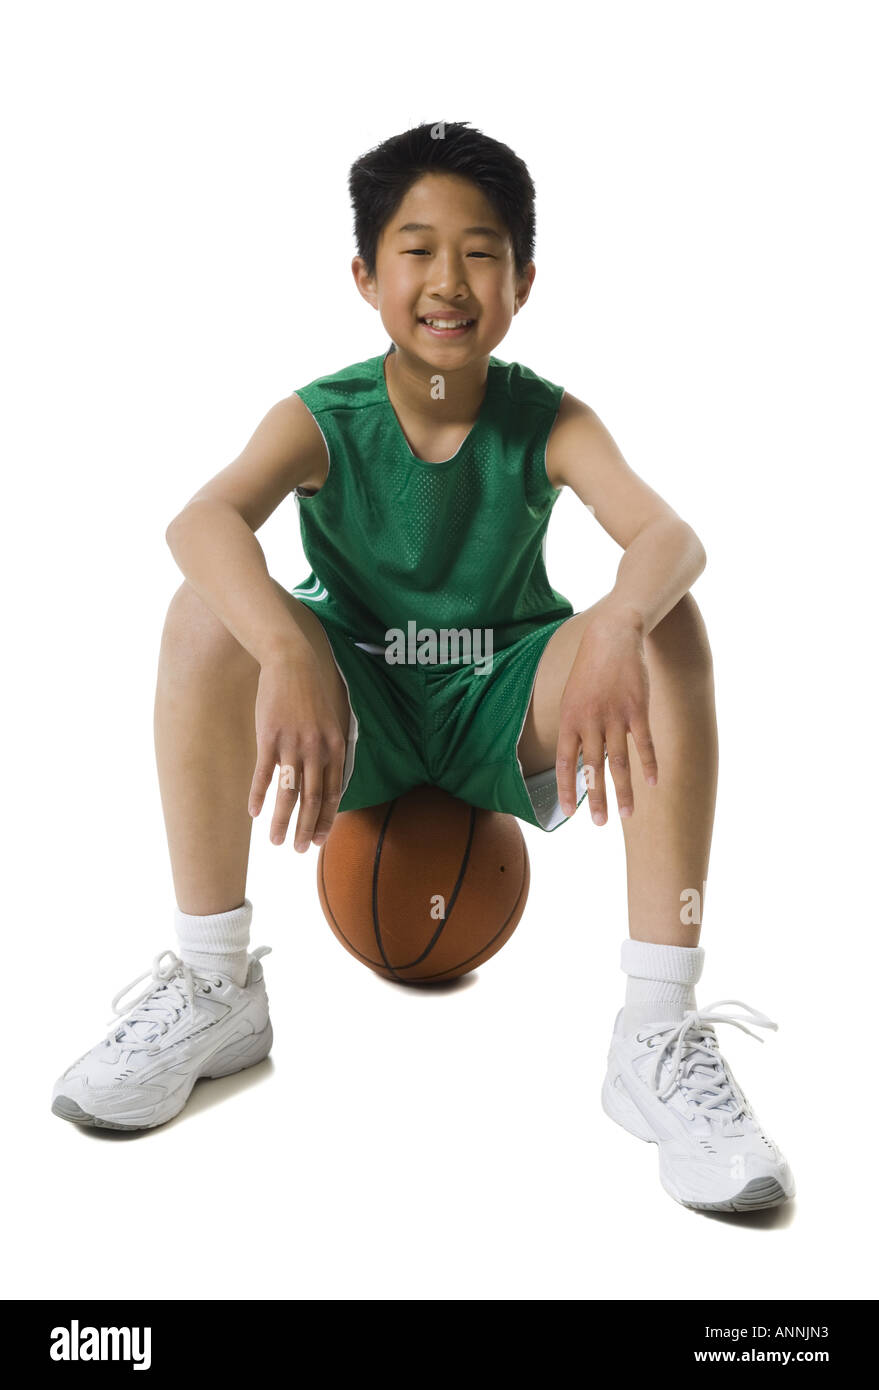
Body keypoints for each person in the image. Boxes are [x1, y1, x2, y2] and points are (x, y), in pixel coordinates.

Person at [50, 120, 794, 1212]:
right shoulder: (326, 416)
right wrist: (282, 643)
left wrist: (623, 621)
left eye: (482, 250)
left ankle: (657, 1029)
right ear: (364, 273)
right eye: (417, 248)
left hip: (506, 701)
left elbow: (669, 535)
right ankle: (215, 983)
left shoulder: (547, 416)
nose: (450, 279)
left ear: (524, 279)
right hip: (362, 702)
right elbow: (200, 518)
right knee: (202, 613)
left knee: (670, 619)